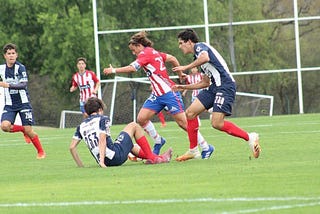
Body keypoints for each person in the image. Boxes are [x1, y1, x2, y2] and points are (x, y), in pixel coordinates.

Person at [103, 31, 214, 159]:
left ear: (139, 45)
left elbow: (133, 68)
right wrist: (180, 74)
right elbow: (172, 58)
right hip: (157, 94)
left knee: (184, 123)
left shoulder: (145, 54)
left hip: (169, 93)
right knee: (141, 119)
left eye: (134, 50)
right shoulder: (153, 52)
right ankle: (158, 141)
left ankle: (206, 146)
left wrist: (114, 70)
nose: (134, 53)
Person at [172, 28, 261, 161]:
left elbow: (205, 57)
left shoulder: (200, 47)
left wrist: (185, 67)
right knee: (190, 113)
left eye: (181, 43)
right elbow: (205, 83)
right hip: (214, 87)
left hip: (225, 85)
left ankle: (250, 137)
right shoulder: (198, 58)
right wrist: (183, 87)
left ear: (189, 42)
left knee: (217, 123)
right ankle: (193, 150)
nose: (179, 46)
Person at [69, 97, 172, 167]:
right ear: (100, 109)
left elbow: (72, 147)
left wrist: (81, 165)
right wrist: (101, 162)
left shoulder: (81, 126)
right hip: (114, 157)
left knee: (129, 144)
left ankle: (156, 157)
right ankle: (153, 158)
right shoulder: (102, 119)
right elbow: (102, 139)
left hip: (106, 160)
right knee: (134, 125)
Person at [0, 43, 46, 159]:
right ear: (4, 56)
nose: (11, 56)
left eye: (13, 53)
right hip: (9, 104)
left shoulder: (20, 68)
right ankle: (22, 130)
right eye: (9, 53)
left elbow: (24, 84)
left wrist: (8, 85)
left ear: (17, 55)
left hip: (23, 103)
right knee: (4, 126)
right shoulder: (1, 69)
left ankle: (41, 152)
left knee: (29, 130)